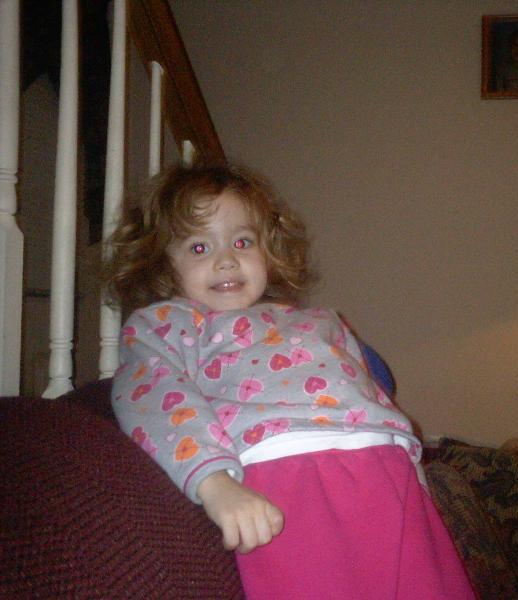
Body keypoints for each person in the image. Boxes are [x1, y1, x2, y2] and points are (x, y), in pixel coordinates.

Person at [105, 163, 475, 600]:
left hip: (387, 472)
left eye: (243, 241)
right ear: (164, 263)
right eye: (200, 247)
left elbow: (368, 388)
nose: (227, 259)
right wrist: (215, 484)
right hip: (288, 476)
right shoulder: (166, 323)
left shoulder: (322, 321)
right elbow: (153, 396)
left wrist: (412, 471)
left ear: (268, 250)